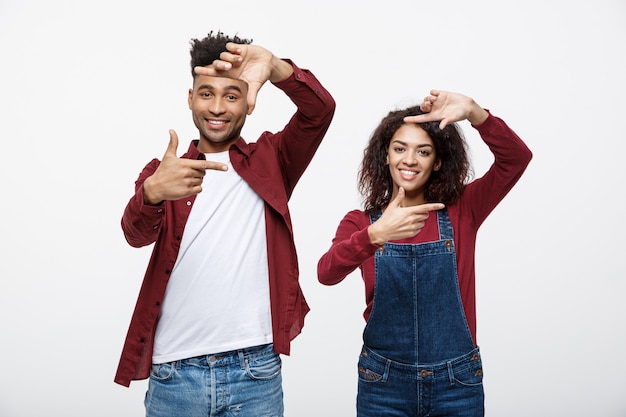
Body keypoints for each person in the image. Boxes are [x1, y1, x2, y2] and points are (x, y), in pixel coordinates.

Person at [114, 31, 335, 417]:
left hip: (255, 371)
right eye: (207, 93)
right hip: (174, 375)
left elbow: (319, 111)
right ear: (190, 98)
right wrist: (151, 193)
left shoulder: (273, 159)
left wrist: (276, 67)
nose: (218, 107)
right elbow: (135, 234)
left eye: (231, 95)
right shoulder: (163, 172)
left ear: (248, 102)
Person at [317, 89, 531, 416]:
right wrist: (374, 236)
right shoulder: (361, 222)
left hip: (455, 383)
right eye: (399, 148)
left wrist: (476, 113)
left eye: (423, 151)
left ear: (438, 161)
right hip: (383, 383)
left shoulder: (464, 211)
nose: (410, 159)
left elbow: (516, 158)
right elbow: (326, 273)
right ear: (385, 156)